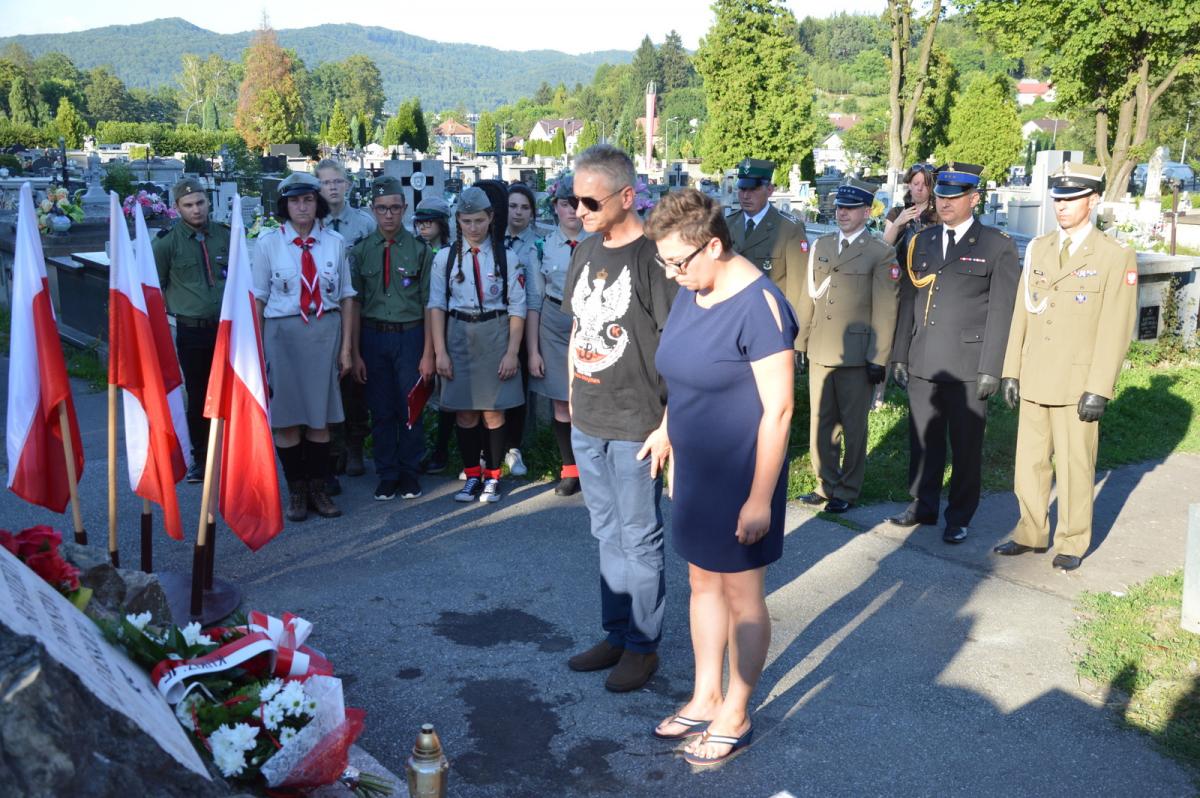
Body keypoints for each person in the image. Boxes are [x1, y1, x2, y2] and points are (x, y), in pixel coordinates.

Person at [644, 189, 796, 766]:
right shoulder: (694, 288)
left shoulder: (761, 306)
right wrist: (667, 429)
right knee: (701, 581)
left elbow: (779, 410)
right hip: (695, 468)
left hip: (741, 473)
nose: (672, 273)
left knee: (742, 594)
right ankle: (706, 695)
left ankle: (737, 711)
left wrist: (759, 499)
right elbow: (683, 373)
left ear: (712, 245)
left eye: (678, 261)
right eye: (664, 262)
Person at [563, 144, 678, 693]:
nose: (579, 210)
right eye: (574, 199)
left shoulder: (654, 258)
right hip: (588, 418)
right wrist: (572, 397)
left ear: (627, 196)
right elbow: (577, 328)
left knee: (639, 537)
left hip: (638, 423)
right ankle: (616, 632)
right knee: (605, 532)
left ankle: (642, 645)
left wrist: (668, 425)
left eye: (591, 201)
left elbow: (678, 346)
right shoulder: (586, 249)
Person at [994, 163, 1138, 571]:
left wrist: (1100, 387)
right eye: (1058, 199)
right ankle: (1030, 531)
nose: (1062, 206)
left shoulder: (1113, 255)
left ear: (1093, 201)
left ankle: (1073, 540)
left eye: (1071, 199)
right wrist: (1011, 369)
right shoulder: (1039, 248)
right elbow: (1023, 313)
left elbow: (1116, 327)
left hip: (1077, 382)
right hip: (1036, 374)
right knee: (1029, 463)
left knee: (1075, 465)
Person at [889, 162, 1019, 543]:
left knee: (965, 446)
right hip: (923, 357)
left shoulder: (996, 245)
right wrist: (899, 354)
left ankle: (960, 515)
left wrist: (992, 367)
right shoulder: (922, 241)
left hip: (967, 365)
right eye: (941, 196)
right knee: (923, 438)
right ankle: (922, 503)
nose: (944, 203)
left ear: (974, 199)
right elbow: (908, 301)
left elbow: (1001, 311)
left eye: (954, 197)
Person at [252, 172, 356, 522]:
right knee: (286, 420)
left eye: (308, 200)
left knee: (319, 417)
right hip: (282, 335)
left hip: (323, 333)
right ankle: (296, 489)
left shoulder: (335, 242)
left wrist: (346, 349)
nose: (302, 207)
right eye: (294, 201)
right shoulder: (268, 244)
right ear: (285, 206)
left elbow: (346, 297)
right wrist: (258, 349)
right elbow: (259, 299)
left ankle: (318, 487)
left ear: (317, 203)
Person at [795, 177, 900, 513]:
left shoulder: (880, 253)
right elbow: (809, 297)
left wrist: (878, 357)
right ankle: (825, 483)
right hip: (821, 348)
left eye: (851, 208)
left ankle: (848, 489)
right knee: (821, 421)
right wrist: (800, 342)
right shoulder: (823, 245)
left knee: (853, 426)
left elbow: (886, 309)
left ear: (867, 212)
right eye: (840, 207)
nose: (842, 213)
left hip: (856, 356)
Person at [427, 186, 526, 504]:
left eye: (479, 220)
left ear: (491, 218)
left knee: (493, 413)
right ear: (458, 220)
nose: (473, 227)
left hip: (495, 333)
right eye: (467, 221)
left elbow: (518, 307)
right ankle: (472, 474)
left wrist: (512, 352)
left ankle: (493, 477)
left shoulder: (506, 257)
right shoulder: (445, 258)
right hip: (458, 334)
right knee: (465, 414)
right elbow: (436, 306)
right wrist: (440, 352)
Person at [349, 176, 434, 502]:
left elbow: (428, 305)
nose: (389, 215)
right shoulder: (361, 252)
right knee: (381, 409)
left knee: (410, 407)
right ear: (373, 210)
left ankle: (409, 472)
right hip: (373, 338)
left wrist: (428, 353)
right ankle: (387, 473)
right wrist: (355, 352)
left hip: (410, 336)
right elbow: (354, 304)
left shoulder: (419, 251)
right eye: (382, 208)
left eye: (395, 208)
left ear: (404, 209)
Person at [152, 176, 229, 483]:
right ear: (177, 207)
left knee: (231, 391)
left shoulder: (224, 235)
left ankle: (232, 454)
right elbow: (154, 287)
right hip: (193, 331)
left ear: (208, 202)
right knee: (198, 394)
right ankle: (201, 456)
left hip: (226, 328)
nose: (196, 210)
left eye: (200, 202)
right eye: (188, 205)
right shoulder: (166, 243)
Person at [526, 172, 589, 496]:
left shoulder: (599, 241)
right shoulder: (542, 246)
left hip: (591, 322)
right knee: (561, 403)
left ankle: (593, 468)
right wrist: (533, 351)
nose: (572, 210)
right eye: (565, 203)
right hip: (554, 322)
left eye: (578, 203)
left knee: (589, 400)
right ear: (555, 206)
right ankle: (570, 469)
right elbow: (534, 301)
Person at [317, 159, 375, 491]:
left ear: (347, 185)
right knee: (328, 381)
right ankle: (333, 445)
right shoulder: (314, 224)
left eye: (338, 181)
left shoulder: (364, 224)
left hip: (358, 311)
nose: (333, 188)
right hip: (326, 312)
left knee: (355, 381)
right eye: (326, 183)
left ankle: (355, 445)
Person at [726, 157, 809, 314]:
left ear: (770, 190)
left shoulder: (789, 229)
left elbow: (798, 288)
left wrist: (791, 323)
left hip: (769, 316)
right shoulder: (727, 224)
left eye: (753, 189)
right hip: (731, 314)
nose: (746, 196)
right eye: (742, 189)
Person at [412, 196, 456, 475]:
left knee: (446, 392)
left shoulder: (452, 253)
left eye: (430, 221)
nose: (424, 227)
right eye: (420, 222)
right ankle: (418, 447)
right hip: (415, 325)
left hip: (445, 327)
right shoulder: (413, 251)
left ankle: (442, 448)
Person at [501, 182, 540, 477]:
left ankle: (513, 446)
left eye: (525, 208)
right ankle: (488, 447)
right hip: (494, 322)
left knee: (518, 387)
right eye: (513, 206)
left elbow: (535, 293)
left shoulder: (537, 244)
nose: (518, 212)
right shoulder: (493, 239)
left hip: (525, 322)